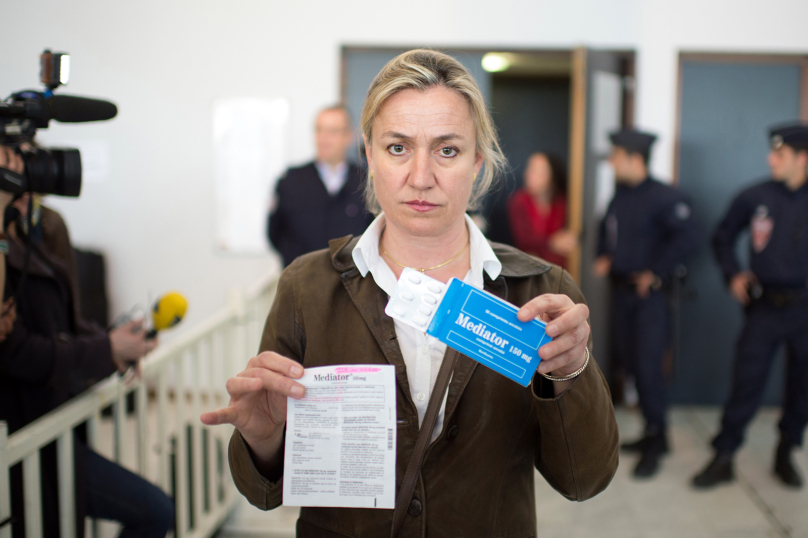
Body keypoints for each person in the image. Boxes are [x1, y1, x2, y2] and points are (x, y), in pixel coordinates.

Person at [203, 49, 618, 537]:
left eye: (447, 150)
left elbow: (584, 478)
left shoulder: (540, 293)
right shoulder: (307, 288)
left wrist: (570, 373)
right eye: (398, 148)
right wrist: (265, 441)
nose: (420, 178)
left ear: (478, 160)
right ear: (370, 154)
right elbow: (261, 489)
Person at [0, 146, 174, 538]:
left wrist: (113, 345)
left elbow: (61, 322)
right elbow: (14, 351)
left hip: (52, 425)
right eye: (14, 166)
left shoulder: (41, 230)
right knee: (154, 511)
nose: (29, 178)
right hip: (22, 436)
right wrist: (106, 349)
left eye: (32, 164)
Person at [692, 123, 808, 490]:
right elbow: (723, 237)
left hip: (805, 310)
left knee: (802, 386)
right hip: (765, 308)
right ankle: (724, 456)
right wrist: (733, 275)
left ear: (802, 159)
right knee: (746, 382)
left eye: (780, 155)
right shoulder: (755, 196)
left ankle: (786, 452)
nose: (770, 159)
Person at [594, 129, 701, 479]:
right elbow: (606, 229)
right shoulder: (620, 196)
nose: (611, 162)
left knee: (650, 367)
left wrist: (656, 272)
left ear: (635, 159)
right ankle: (652, 433)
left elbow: (689, 236)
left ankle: (658, 439)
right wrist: (604, 255)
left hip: (649, 298)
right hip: (622, 294)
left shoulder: (664, 197)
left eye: (616, 156)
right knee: (631, 363)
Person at [267, 104, 374, 267]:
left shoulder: (366, 182)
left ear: (349, 136)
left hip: (351, 283)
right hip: (301, 281)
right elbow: (275, 232)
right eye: (319, 130)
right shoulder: (291, 181)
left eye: (332, 132)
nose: (323, 138)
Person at [506, 152, 577, 268]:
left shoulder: (563, 203)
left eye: (538, 171)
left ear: (552, 177)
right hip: (529, 267)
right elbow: (524, 242)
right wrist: (552, 242)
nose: (530, 175)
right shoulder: (518, 201)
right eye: (530, 168)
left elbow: (568, 240)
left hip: (559, 270)